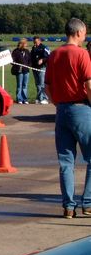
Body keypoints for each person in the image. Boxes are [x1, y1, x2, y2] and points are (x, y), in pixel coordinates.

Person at [44, 17, 91, 219]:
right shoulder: (82, 54)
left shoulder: (54, 54)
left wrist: (58, 104)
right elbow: (89, 84)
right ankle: (87, 203)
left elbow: (47, 87)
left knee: (66, 162)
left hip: (61, 111)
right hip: (81, 109)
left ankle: (68, 206)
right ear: (79, 33)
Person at [31, 36, 51, 104]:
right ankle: (39, 98)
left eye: (36, 42)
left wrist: (42, 60)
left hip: (42, 68)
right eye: (34, 42)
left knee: (42, 83)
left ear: (40, 41)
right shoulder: (33, 48)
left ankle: (45, 98)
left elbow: (48, 56)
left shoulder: (44, 48)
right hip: (34, 68)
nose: (35, 44)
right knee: (37, 84)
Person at [11, 38, 31, 104]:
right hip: (19, 71)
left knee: (25, 85)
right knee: (19, 85)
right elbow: (12, 61)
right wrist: (17, 65)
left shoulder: (27, 51)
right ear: (22, 44)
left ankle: (25, 99)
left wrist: (29, 65)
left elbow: (30, 60)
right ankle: (19, 99)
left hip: (26, 71)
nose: (26, 45)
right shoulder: (15, 51)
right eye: (25, 44)